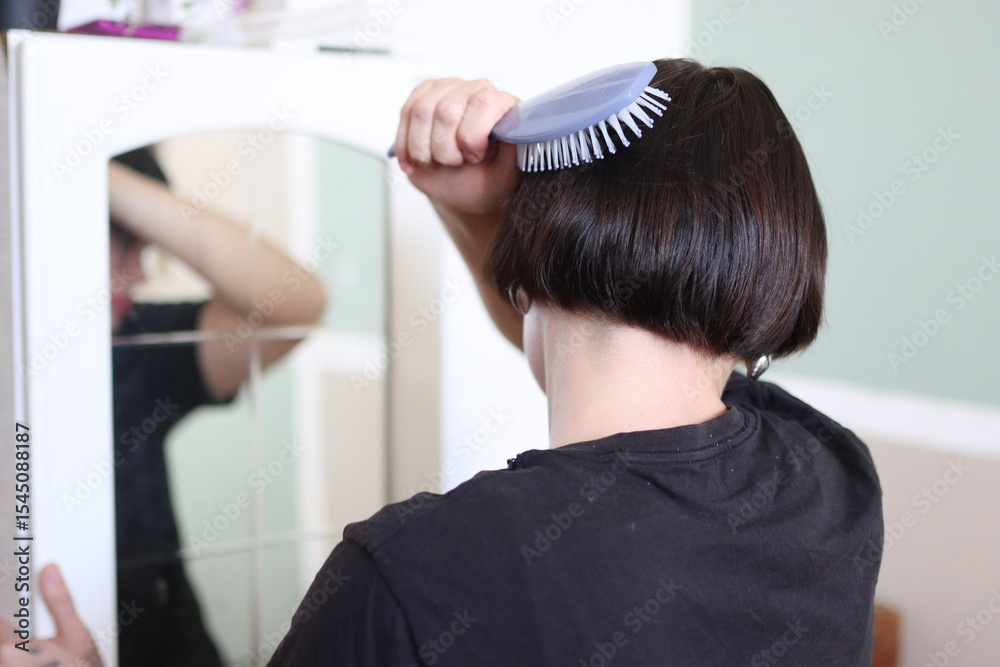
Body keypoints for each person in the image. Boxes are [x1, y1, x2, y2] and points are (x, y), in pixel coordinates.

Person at [266, 58, 882, 665]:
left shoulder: (411, 574)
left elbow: (571, 343)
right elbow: (610, 355)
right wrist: (497, 223)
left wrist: (493, 221)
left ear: (534, 265)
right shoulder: (829, 475)